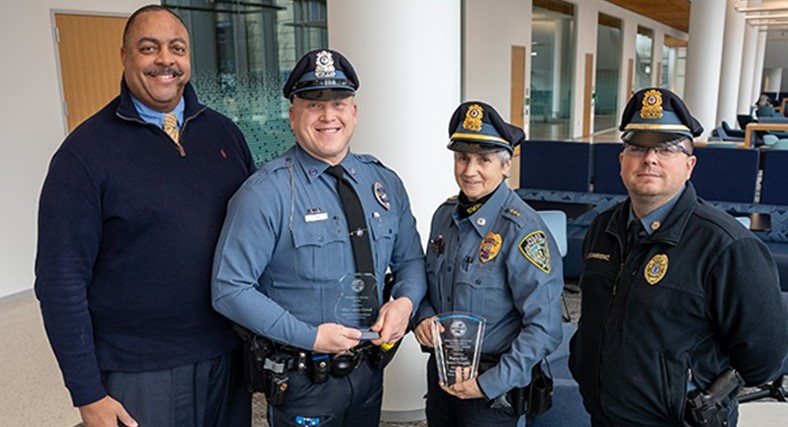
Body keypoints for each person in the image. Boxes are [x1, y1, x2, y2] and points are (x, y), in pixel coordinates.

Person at [35, 5, 255, 426]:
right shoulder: (83, 156)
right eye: (149, 48)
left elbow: (258, 235)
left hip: (227, 355)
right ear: (124, 56)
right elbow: (60, 282)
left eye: (177, 48)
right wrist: (87, 393)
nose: (165, 61)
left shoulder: (224, 134)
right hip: (140, 370)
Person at [211, 49, 426, 426]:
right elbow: (229, 289)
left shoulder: (384, 183)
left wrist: (405, 303)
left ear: (354, 113)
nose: (329, 115)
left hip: (370, 369)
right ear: (293, 117)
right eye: (313, 105)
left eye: (339, 103)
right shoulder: (266, 193)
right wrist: (310, 337)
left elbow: (410, 260)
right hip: (303, 377)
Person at [569, 87, 788, 427]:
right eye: (637, 147)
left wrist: (698, 391)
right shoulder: (603, 227)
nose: (650, 158)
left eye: (666, 148)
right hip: (602, 415)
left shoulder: (728, 246)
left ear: (690, 165)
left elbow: (764, 359)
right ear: (622, 160)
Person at [413, 101, 564, 427]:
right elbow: (427, 288)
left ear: (506, 165)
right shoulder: (444, 217)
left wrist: (488, 383)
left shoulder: (522, 230)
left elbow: (545, 328)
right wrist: (422, 318)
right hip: (441, 374)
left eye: (484, 160)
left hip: (492, 388)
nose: (469, 170)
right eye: (462, 158)